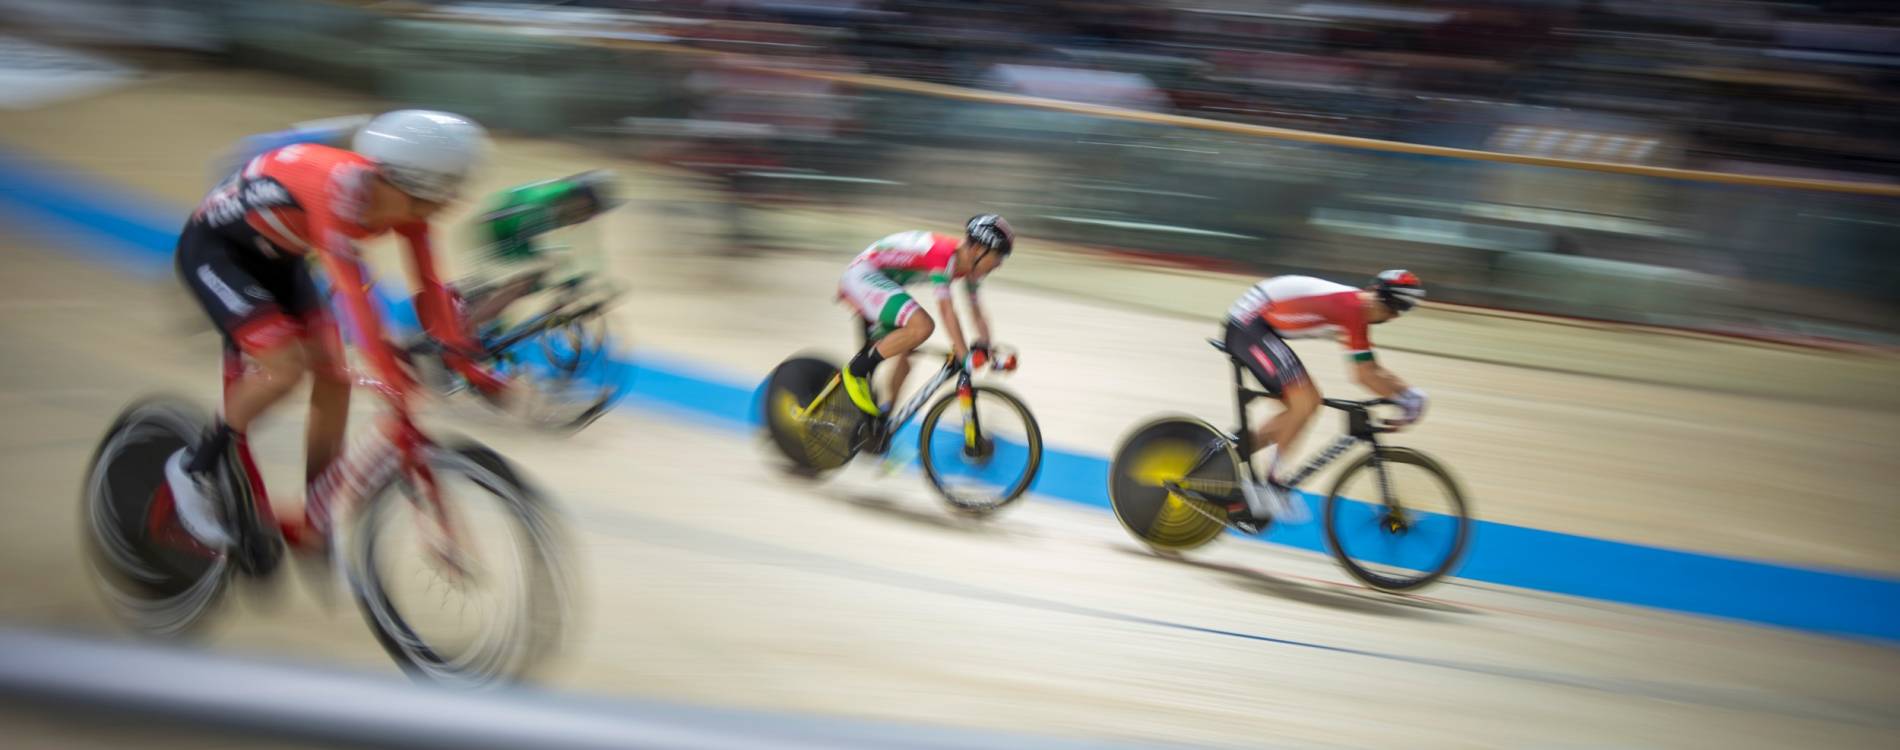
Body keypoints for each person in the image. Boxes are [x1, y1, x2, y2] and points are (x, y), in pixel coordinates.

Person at [165, 109, 504, 552]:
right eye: (445, 193)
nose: (449, 205)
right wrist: (387, 369)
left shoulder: (409, 204)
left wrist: (466, 358)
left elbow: (430, 286)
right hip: (217, 251)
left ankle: (315, 518)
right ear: (409, 182)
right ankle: (195, 468)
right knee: (284, 368)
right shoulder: (337, 191)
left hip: (283, 259)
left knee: (334, 378)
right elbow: (354, 294)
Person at [1221, 270, 1429, 526]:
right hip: (1249, 323)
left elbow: (1369, 370)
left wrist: (1406, 395)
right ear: (1395, 311)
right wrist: (1408, 396)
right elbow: (1365, 375)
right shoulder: (1354, 310)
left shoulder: (1357, 307)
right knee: (1306, 400)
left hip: (1254, 321)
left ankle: (1227, 459)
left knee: (1300, 409)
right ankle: (1270, 486)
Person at [837, 215, 1014, 419]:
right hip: (862, 275)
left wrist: (986, 345)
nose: (999, 264)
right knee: (922, 326)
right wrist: (964, 356)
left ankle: (882, 422)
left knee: (906, 351)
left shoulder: (970, 269)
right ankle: (856, 371)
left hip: (880, 281)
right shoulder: (943, 255)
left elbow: (976, 311)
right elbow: (947, 311)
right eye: (998, 256)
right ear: (978, 250)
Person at [451, 170, 622, 335]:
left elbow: (589, 244)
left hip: (513, 230)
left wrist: (593, 274)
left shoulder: (570, 202)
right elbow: (518, 232)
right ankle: (467, 327)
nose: (590, 217)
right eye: (592, 209)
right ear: (582, 198)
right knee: (524, 280)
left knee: (548, 268)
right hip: (499, 228)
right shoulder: (549, 201)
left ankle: (480, 300)